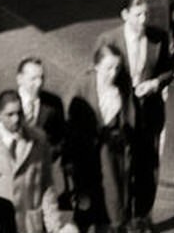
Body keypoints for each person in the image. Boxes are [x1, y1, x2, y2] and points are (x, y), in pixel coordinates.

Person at [106, 0, 173, 233]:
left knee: (147, 167)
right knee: (121, 168)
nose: (143, 20)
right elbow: (99, 77)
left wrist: (156, 83)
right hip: (121, 115)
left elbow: (168, 69)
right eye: (137, 15)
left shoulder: (158, 38)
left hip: (149, 113)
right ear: (125, 15)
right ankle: (120, 218)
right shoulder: (109, 41)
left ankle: (141, 217)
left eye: (145, 14)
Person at [64, 40, 134, 233]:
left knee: (112, 204)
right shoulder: (82, 85)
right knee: (86, 207)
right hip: (86, 157)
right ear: (96, 66)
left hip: (111, 157)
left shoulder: (122, 85)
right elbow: (69, 124)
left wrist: (121, 135)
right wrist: (70, 159)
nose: (113, 73)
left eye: (117, 68)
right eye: (108, 68)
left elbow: (129, 117)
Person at [0, 94, 63, 233]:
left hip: (30, 225)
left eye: (19, 113)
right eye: (9, 114)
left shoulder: (38, 139)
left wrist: (54, 223)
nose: (16, 119)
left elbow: (46, 184)